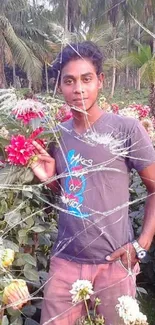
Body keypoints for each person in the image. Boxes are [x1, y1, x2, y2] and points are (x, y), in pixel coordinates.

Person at [31, 41, 155, 325]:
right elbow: (74, 195)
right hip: (65, 261)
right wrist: (51, 179)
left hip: (114, 262)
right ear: (60, 86)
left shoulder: (127, 130)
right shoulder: (57, 135)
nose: (79, 89)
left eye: (86, 79)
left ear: (100, 81)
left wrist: (141, 246)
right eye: (69, 81)